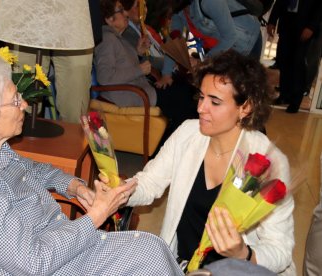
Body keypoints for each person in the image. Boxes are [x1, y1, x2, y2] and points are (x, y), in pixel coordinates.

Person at [0, 55, 185, 275]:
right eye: (16, 100)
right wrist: (96, 215)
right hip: (35, 265)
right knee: (149, 259)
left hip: (52, 245)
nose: (25, 105)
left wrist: (75, 188)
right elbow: (32, 262)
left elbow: (33, 171)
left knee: (152, 249)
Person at [102, 50, 295, 274]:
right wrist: (120, 190)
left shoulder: (267, 165)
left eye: (215, 101)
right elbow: (150, 182)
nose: (201, 108)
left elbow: (280, 249)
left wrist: (243, 253)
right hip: (181, 266)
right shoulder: (188, 134)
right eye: (202, 97)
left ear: (246, 107)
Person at [95, 0, 198, 137]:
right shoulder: (107, 40)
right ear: (109, 19)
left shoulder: (115, 38)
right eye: (120, 10)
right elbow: (105, 77)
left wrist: (138, 53)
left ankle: (175, 140)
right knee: (184, 95)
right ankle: (183, 142)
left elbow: (121, 64)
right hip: (131, 95)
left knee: (183, 91)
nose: (125, 13)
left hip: (138, 90)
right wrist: (139, 69)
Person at [267, 0, 322, 113]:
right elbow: (279, 3)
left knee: (298, 64)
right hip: (286, 25)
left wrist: (311, 27)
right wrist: (272, 21)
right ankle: (284, 95)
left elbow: (319, 7)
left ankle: (295, 100)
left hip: (304, 27)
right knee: (283, 61)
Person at [170, 0, 262, 59]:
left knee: (249, 84)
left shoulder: (209, 2)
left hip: (247, 41)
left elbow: (230, 37)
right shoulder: (178, 12)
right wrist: (167, 74)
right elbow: (174, 42)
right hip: (223, 50)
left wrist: (204, 62)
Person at [120, 0, 178, 89]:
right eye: (138, 6)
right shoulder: (127, 33)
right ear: (126, 11)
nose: (144, 10)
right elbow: (145, 60)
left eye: (145, 6)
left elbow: (160, 49)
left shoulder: (145, 29)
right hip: (151, 78)